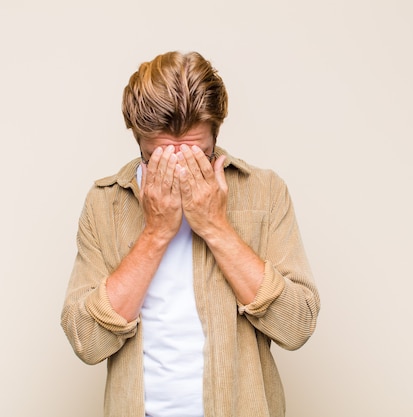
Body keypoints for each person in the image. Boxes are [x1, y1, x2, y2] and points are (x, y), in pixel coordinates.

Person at [61, 51, 320, 417]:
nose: (181, 172)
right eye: (162, 159)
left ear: (217, 132)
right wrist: (155, 233)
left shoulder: (265, 191)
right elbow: (86, 341)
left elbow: (297, 327)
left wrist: (214, 225)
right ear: (139, 143)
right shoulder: (105, 204)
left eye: (198, 155)